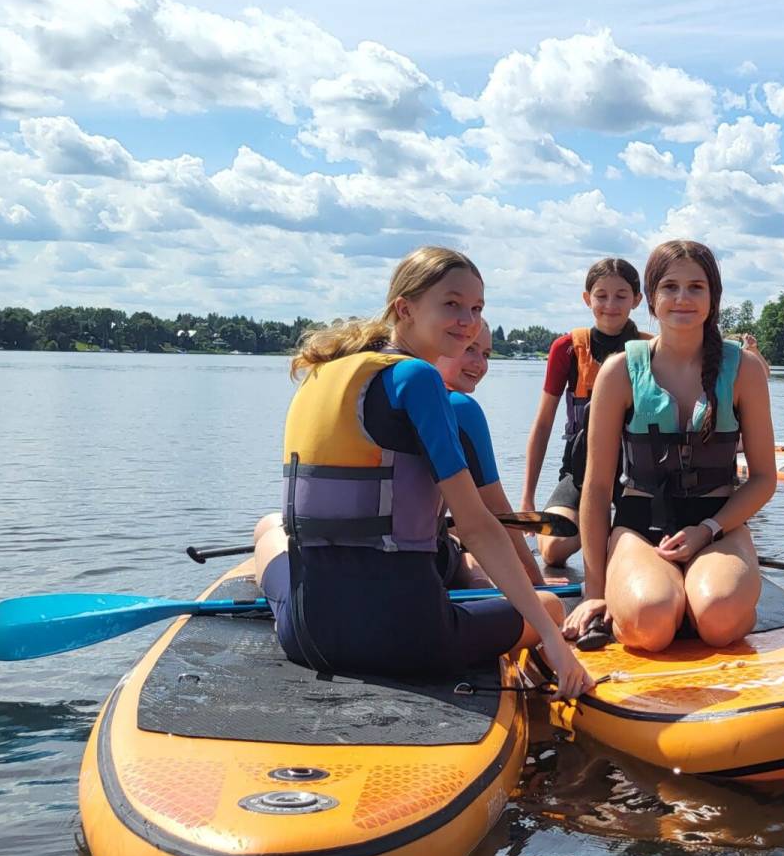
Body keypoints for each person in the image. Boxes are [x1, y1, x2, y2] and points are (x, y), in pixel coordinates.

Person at [248, 246, 591, 694]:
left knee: (271, 532)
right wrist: (553, 639)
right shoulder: (419, 379)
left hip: (308, 637)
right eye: (452, 304)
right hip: (411, 640)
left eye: (477, 308)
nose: (468, 320)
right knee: (549, 608)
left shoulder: (322, 372)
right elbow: (477, 526)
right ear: (404, 308)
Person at [561, 241, 776, 652]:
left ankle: (709, 606)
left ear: (713, 298)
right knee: (650, 620)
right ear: (651, 298)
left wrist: (707, 530)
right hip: (640, 529)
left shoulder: (744, 370)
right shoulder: (619, 371)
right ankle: (664, 602)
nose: (682, 298)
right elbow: (598, 488)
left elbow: (764, 478)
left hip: (719, 528)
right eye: (670, 287)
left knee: (718, 617)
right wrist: (594, 590)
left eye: (696, 287)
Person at [522, 259, 647, 572]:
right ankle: (602, 531)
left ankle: (621, 533)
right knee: (553, 550)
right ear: (587, 298)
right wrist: (527, 497)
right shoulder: (567, 348)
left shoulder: (652, 349)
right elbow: (543, 424)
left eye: (621, 296)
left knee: (642, 544)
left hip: (638, 474)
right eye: (601, 295)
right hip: (581, 469)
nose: (610, 305)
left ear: (636, 300)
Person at [431, 321, 549, 586]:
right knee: (474, 566)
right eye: (469, 348)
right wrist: (536, 584)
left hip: (348, 560)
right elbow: (497, 509)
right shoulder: (460, 408)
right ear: (436, 346)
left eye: (485, 354)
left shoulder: (388, 389)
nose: (480, 364)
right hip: (418, 562)